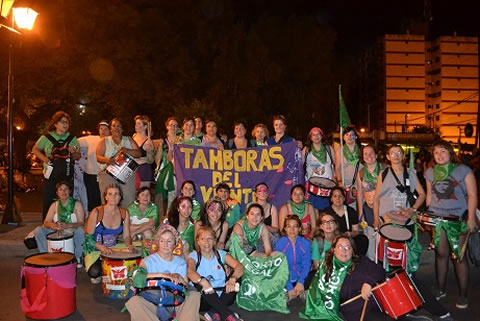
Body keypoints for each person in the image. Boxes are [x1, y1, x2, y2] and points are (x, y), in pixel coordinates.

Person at [425, 140, 478, 309]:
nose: (439, 155)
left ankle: (463, 294)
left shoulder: (463, 170)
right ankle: (441, 289)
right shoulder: (430, 172)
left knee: (458, 257)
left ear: (450, 153)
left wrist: (471, 218)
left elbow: (472, 195)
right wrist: (426, 217)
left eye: (443, 151)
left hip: (458, 220)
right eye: (436, 152)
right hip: (437, 220)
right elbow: (429, 197)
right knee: (441, 255)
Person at [300, 234, 385, 321]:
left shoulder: (361, 261)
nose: (344, 251)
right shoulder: (327, 267)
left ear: (352, 251)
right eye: (340, 247)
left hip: (374, 304)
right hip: (354, 312)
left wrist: (368, 283)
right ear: (334, 249)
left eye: (348, 248)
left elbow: (380, 270)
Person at [125, 224, 201, 321]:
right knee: (134, 302)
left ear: (175, 244)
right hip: (152, 302)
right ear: (158, 242)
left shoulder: (180, 262)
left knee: (194, 295)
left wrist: (179, 278)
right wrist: (162, 276)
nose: (165, 244)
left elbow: (186, 286)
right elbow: (137, 278)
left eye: (169, 241)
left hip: (174, 303)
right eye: (162, 241)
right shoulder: (147, 261)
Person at [187, 226, 245, 321]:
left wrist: (233, 279)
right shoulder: (194, 256)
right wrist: (203, 281)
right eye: (202, 239)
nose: (206, 242)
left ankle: (213, 312)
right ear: (198, 241)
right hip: (205, 297)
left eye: (210, 239)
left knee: (238, 278)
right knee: (198, 283)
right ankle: (227, 315)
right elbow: (190, 272)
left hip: (223, 294)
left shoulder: (220, 254)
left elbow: (240, 267)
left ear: (214, 241)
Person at [32, 111, 81, 219]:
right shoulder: (46, 137)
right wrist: (45, 159)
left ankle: (67, 223)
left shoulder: (72, 139)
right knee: (48, 200)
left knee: (67, 199)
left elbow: (78, 156)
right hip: (50, 174)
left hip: (67, 175)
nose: (65, 125)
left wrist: (73, 152)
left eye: (67, 123)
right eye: (62, 122)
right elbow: (35, 149)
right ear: (55, 124)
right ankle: (47, 224)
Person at [84, 183, 134, 284]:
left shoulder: (124, 212)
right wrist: (102, 248)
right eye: (110, 194)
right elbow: (88, 238)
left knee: (137, 254)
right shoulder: (96, 212)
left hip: (114, 247)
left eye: (116, 194)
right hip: (96, 249)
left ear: (120, 197)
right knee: (94, 272)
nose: (113, 197)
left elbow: (127, 236)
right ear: (106, 197)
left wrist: (129, 244)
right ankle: (104, 271)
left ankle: (110, 272)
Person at [373, 145, 426, 229]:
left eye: (399, 153)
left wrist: (412, 209)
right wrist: (376, 219)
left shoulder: (410, 173)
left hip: (405, 219)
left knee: (405, 241)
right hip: (386, 219)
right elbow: (376, 198)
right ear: (388, 157)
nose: (396, 156)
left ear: (403, 156)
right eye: (392, 153)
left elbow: (422, 194)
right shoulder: (383, 174)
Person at [33, 181, 85, 266]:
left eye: (66, 189)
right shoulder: (54, 205)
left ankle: (77, 257)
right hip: (57, 231)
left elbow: (81, 222)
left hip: (71, 230)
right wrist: (52, 225)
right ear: (57, 193)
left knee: (81, 230)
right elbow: (46, 222)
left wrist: (68, 225)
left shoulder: (77, 204)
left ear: (70, 191)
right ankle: (46, 255)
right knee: (38, 230)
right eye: (60, 189)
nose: (63, 192)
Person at [96, 118, 141, 207]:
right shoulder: (104, 141)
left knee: (128, 199)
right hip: (107, 174)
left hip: (126, 174)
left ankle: (126, 219)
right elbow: (98, 157)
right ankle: (108, 220)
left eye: (119, 126)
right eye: (114, 126)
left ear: (122, 129)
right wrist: (108, 160)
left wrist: (127, 150)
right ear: (110, 129)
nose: (116, 128)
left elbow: (138, 153)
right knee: (108, 200)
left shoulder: (128, 139)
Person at [356, 144, 386, 260]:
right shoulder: (361, 173)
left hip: (383, 209)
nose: (368, 156)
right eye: (365, 154)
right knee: (370, 237)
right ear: (362, 157)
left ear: (376, 155)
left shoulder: (385, 169)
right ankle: (371, 264)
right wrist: (360, 214)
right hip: (368, 209)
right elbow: (360, 193)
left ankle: (385, 265)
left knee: (384, 236)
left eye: (371, 153)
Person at [274, 215, 312, 301]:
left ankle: (297, 292)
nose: (292, 230)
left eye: (295, 226)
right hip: (285, 278)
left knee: (313, 275)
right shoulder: (280, 244)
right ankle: (293, 293)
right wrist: (289, 286)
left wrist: (301, 282)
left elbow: (306, 265)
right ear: (285, 229)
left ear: (299, 229)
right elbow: (279, 267)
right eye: (289, 226)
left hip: (300, 277)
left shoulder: (305, 243)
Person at [78, 120, 111, 213]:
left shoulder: (112, 141)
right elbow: (75, 142)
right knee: (92, 201)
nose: (103, 131)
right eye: (101, 129)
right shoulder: (91, 139)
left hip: (106, 176)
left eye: (106, 129)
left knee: (106, 200)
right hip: (91, 175)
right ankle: (93, 220)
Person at [302, 127, 336, 210]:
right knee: (312, 211)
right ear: (310, 137)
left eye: (318, 134)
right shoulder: (306, 150)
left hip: (327, 186)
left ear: (322, 136)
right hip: (312, 187)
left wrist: (336, 178)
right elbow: (299, 165)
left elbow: (336, 164)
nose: (316, 137)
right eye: (314, 135)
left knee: (327, 210)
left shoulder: (329, 148)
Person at [154, 117, 178, 216]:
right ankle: (159, 217)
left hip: (176, 171)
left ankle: (171, 216)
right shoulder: (162, 141)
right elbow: (157, 160)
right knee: (161, 195)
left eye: (176, 125)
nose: (173, 127)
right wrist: (160, 147)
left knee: (174, 194)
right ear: (167, 126)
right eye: (171, 124)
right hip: (164, 170)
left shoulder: (181, 140)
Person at [335, 126, 362, 210]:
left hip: (360, 186)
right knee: (349, 210)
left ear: (356, 137)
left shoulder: (362, 151)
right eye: (347, 134)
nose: (349, 137)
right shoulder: (340, 152)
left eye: (352, 135)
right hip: (346, 186)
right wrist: (339, 182)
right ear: (343, 137)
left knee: (362, 209)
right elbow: (337, 169)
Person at [132, 115, 155, 188]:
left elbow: (151, 161)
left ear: (145, 127)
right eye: (136, 124)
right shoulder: (133, 137)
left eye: (139, 124)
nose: (136, 126)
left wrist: (148, 152)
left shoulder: (148, 141)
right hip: (132, 169)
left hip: (143, 170)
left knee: (143, 194)